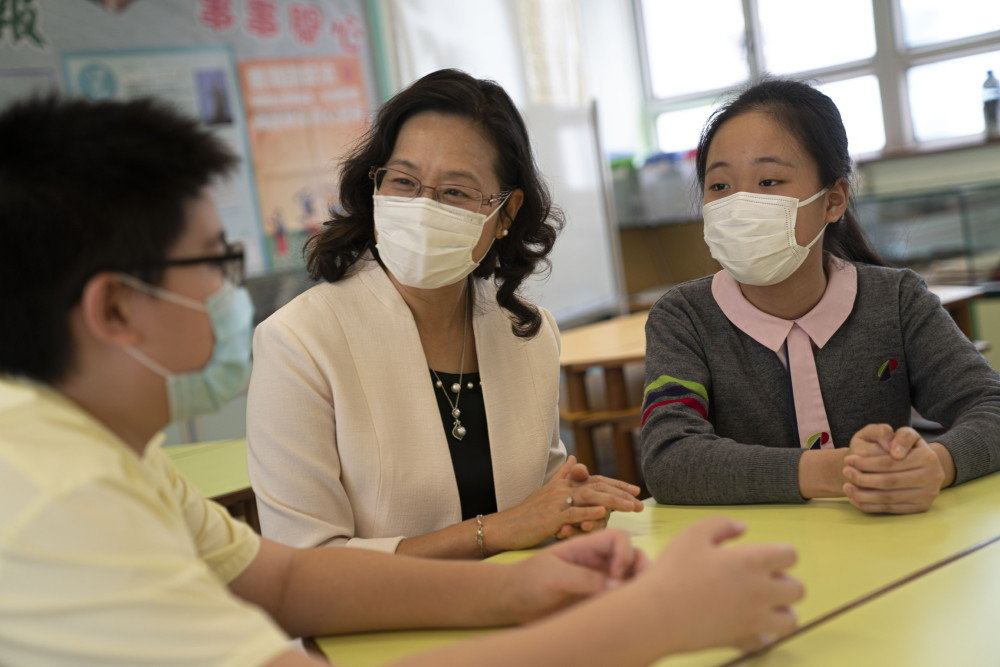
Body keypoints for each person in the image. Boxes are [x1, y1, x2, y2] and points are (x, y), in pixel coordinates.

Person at [0, 94, 804, 666]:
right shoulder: (48, 494)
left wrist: (524, 588)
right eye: (214, 262)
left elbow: (283, 578)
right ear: (114, 308)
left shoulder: (111, 453)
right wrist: (651, 623)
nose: (230, 293)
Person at [247, 68, 643, 557]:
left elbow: (536, 507)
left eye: (455, 192)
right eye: (404, 181)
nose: (422, 207)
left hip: (521, 610)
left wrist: (568, 509)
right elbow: (303, 566)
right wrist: (495, 531)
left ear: (506, 212)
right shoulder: (298, 342)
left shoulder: (529, 335)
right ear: (375, 186)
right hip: (379, 630)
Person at [640, 77, 1000, 514]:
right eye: (720, 187)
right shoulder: (683, 318)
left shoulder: (896, 300)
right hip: (745, 562)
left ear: (833, 200)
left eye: (769, 181)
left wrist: (934, 465)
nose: (739, 205)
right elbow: (669, 459)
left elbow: (990, 406)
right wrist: (840, 470)